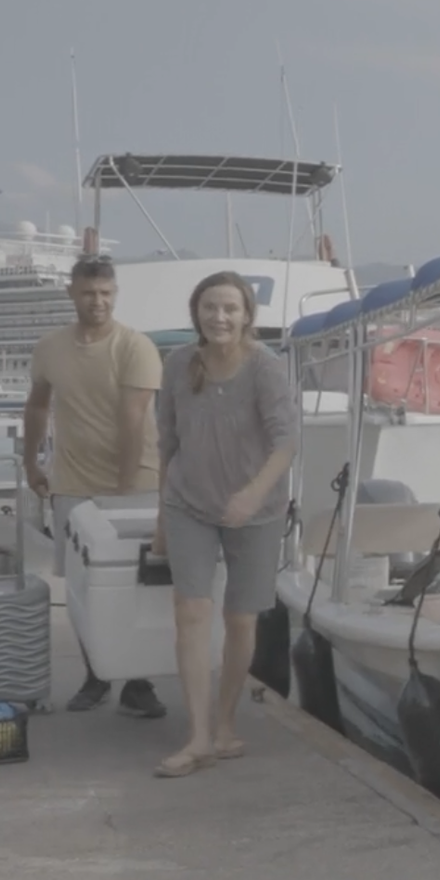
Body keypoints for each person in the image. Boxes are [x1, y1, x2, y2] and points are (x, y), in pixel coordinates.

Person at [151, 270, 297, 777]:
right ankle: (198, 738)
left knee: (240, 618)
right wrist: (161, 517)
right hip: (188, 502)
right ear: (196, 312)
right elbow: (167, 443)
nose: (220, 317)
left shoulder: (265, 368)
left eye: (230, 308)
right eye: (210, 307)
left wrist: (252, 494)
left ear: (247, 315)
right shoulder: (177, 364)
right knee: (191, 610)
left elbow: (285, 443)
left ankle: (226, 723)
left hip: (258, 510)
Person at [21, 254, 167, 719]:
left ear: (115, 293)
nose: (97, 301)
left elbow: (133, 418)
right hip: (72, 484)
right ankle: (96, 676)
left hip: (136, 483)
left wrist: (121, 490)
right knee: (82, 585)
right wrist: (31, 462)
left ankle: (138, 684)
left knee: (136, 584)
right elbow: (37, 406)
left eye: (105, 292)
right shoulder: (50, 347)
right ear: (71, 293)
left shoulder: (136, 346)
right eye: (88, 292)